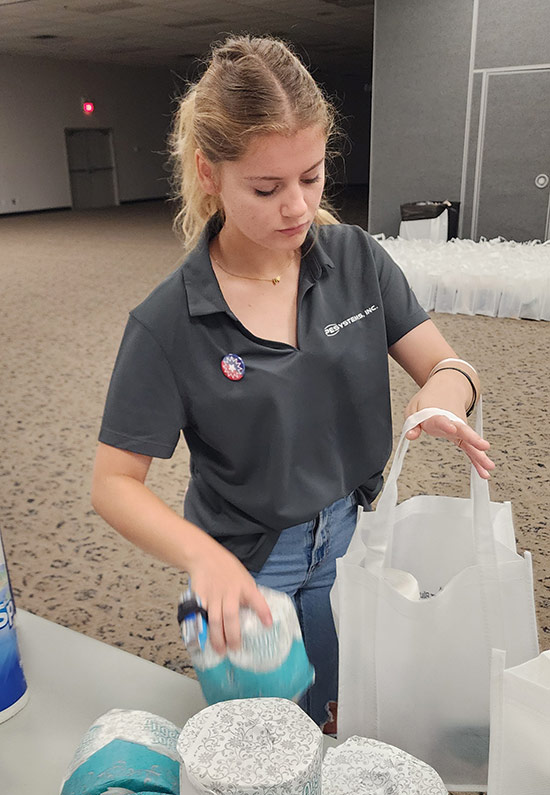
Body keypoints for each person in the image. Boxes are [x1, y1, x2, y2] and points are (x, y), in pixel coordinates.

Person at [91, 34, 494, 731]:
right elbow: (112, 483)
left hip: (352, 535)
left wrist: (444, 400)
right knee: (265, 748)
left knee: (343, 720)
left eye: (311, 177)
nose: (299, 208)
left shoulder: (356, 259)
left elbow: (449, 365)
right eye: (267, 188)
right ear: (209, 173)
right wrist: (204, 559)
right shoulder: (167, 322)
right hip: (246, 563)